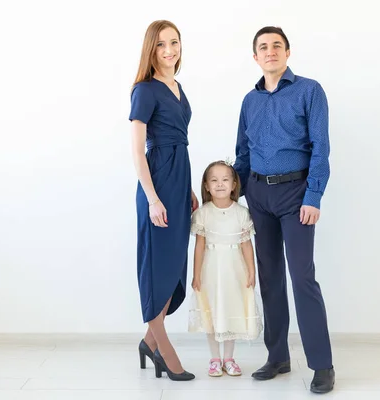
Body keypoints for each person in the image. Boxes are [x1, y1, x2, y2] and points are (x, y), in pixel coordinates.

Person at [233, 26, 335, 393]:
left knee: (302, 277)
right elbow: (243, 153)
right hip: (258, 194)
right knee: (269, 277)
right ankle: (277, 356)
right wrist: (231, 196)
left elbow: (321, 148)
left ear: (287, 53)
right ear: (255, 57)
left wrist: (314, 196)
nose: (270, 51)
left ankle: (322, 365)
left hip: (296, 194)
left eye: (277, 45)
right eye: (263, 47)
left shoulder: (309, 91)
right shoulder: (250, 100)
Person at [129, 20, 199, 381]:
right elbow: (138, 153)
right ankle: (166, 353)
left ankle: (147, 342)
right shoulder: (144, 90)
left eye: (174, 42)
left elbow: (178, 143)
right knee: (157, 267)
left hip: (178, 180)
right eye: (161, 45)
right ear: (150, 50)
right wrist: (154, 199)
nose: (169, 50)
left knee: (174, 268)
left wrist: (185, 188)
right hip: (156, 184)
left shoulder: (177, 86)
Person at [188, 160, 262, 377]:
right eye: (214, 180)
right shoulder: (203, 213)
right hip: (211, 270)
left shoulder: (241, 213)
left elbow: (246, 244)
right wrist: (196, 274)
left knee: (230, 310)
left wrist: (251, 270)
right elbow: (199, 246)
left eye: (225, 180)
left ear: (233, 184)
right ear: (206, 186)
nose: (220, 184)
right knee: (212, 313)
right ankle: (214, 359)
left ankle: (229, 358)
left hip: (234, 271)